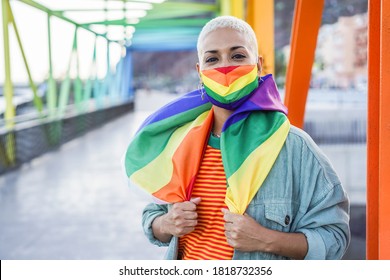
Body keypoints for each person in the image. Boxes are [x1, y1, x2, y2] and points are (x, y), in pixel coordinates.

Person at [124, 15, 350, 260]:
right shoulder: (179, 143)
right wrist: (167, 224)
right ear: (200, 72)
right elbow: (153, 216)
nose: (225, 68)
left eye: (238, 56)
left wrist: (266, 240)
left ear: (259, 65)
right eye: (212, 59)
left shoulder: (294, 148)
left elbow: (335, 238)